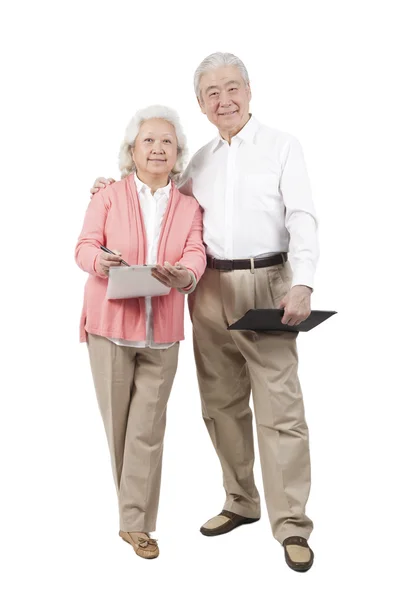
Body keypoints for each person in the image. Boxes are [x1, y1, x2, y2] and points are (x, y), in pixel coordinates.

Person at [91, 52, 319, 572]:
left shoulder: (283, 147)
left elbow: (303, 216)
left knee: (280, 407)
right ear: (201, 104)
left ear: (249, 89)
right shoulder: (201, 161)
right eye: (212, 93)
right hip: (207, 285)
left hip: (268, 282)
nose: (225, 100)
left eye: (232, 87)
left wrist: (303, 282)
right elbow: (162, 195)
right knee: (220, 402)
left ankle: (291, 526)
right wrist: (111, 186)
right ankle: (240, 501)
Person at [75, 105, 206, 559]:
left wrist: (185, 275)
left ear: (178, 153)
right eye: (148, 140)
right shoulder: (107, 195)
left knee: (147, 429)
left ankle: (135, 523)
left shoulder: (189, 206)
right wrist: (100, 261)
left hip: (163, 330)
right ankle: (132, 515)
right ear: (132, 150)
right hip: (109, 327)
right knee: (120, 427)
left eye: (166, 141)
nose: (157, 148)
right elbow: (84, 246)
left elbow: (196, 254)